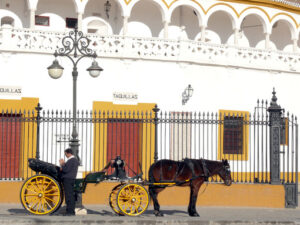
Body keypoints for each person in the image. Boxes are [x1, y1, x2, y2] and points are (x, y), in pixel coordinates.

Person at [59, 148, 79, 216]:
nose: (65, 155)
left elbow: (66, 170)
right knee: (70, 195)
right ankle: (70, 211)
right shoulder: (73, 160)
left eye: (65, 154)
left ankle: (70, 212)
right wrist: (64, 164)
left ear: (68, 153)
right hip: (70, 179)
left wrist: (62, 164)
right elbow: (68, 168)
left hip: (68, 179)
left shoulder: (72, 160)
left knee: (69, 195)